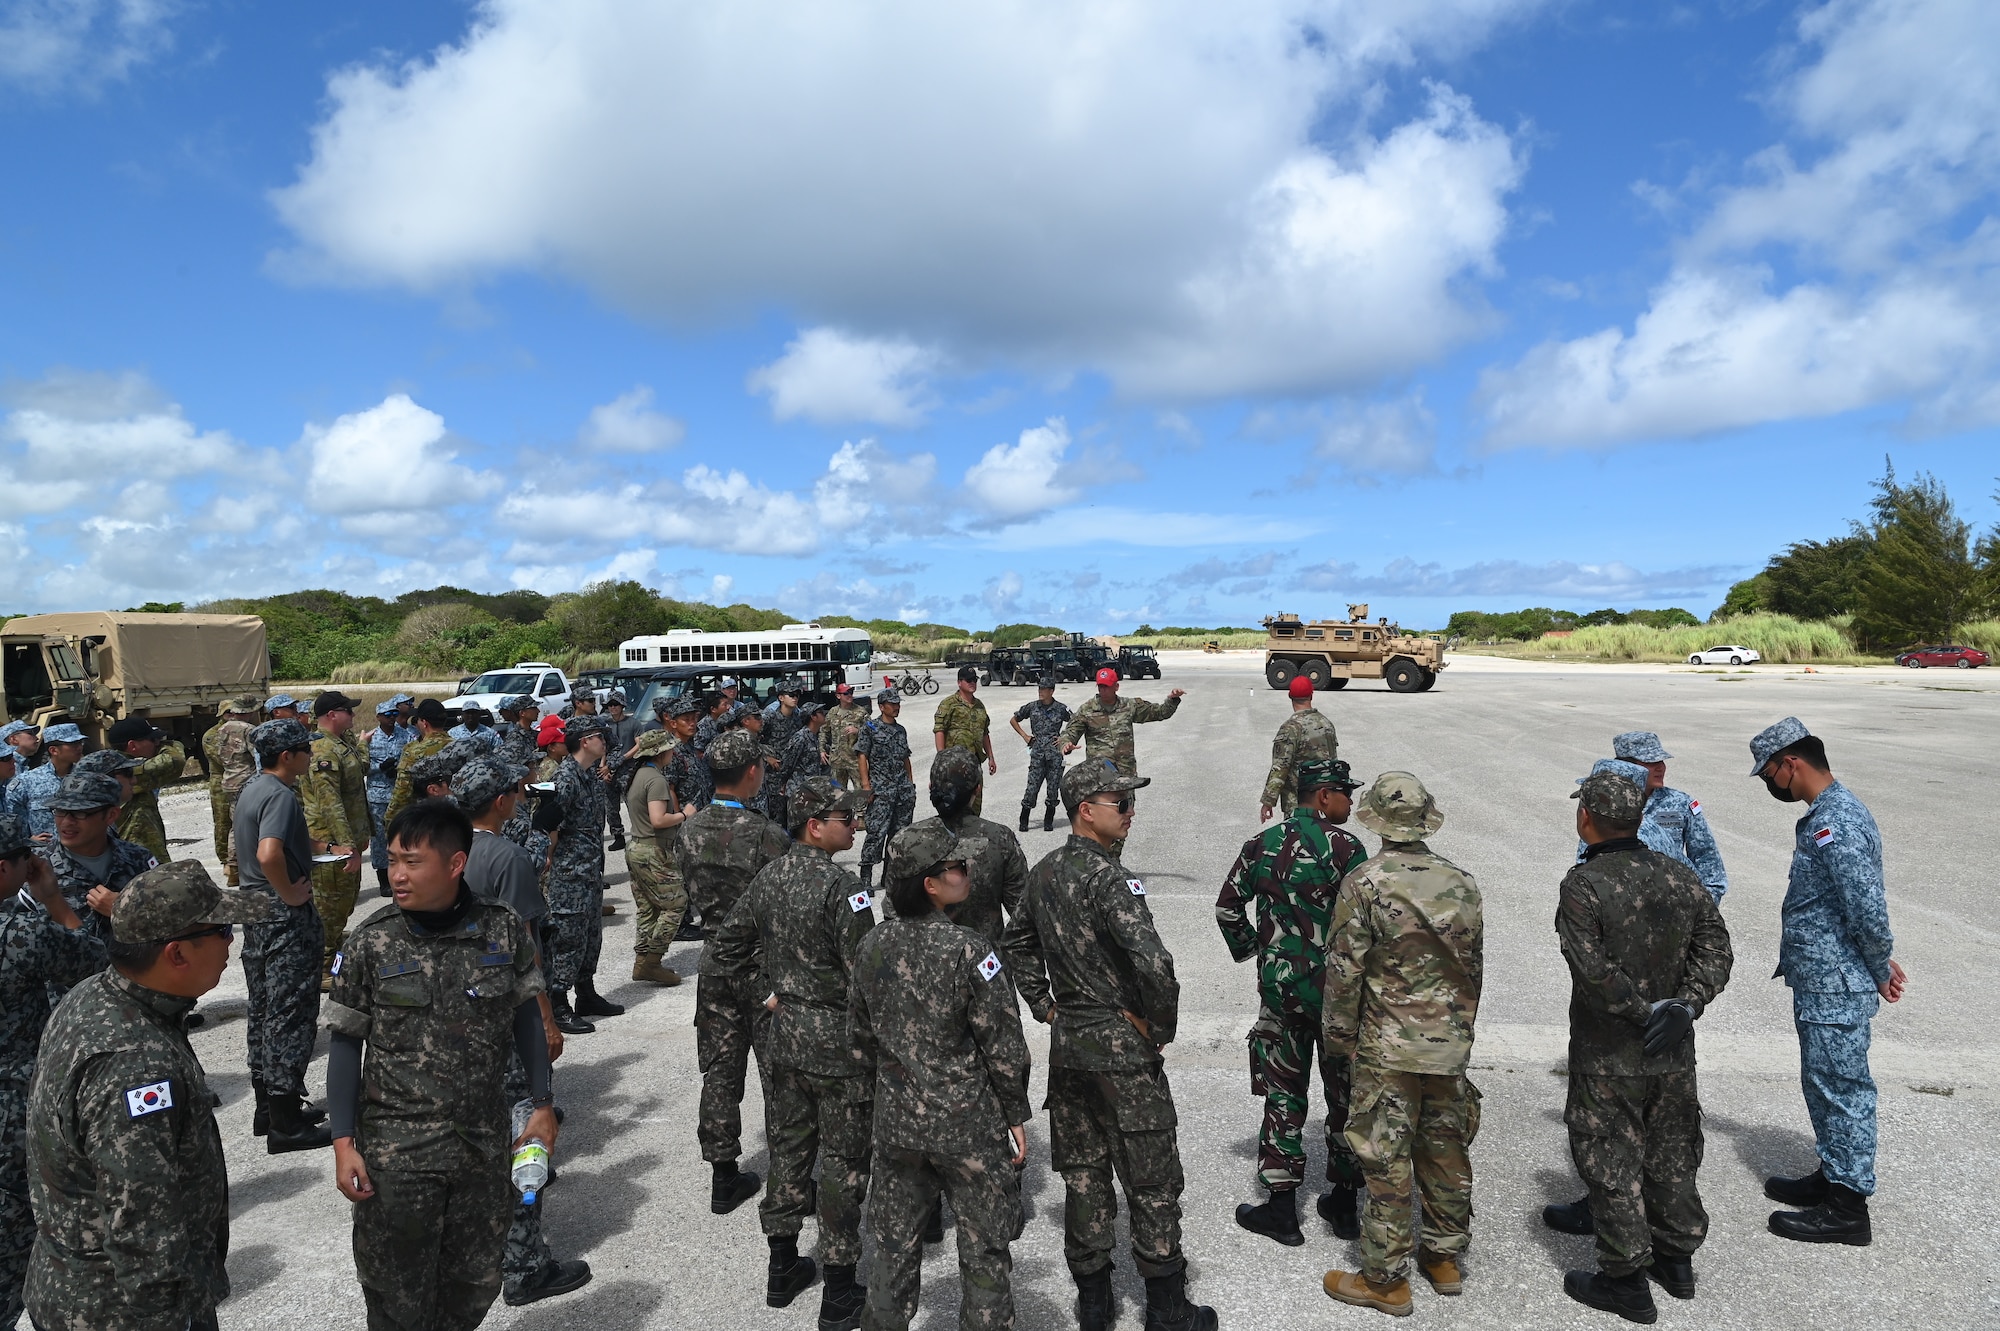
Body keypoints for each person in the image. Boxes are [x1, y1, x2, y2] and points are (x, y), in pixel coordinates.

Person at [325, 798, 559, 1329]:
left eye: (412, 861)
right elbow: (345, 1045)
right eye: (391, 860)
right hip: (398, 1154)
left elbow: (526, 1016)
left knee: (475, 1282)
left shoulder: (499, 928)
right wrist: (343, 1143)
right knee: (396, 1293)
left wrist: (542, 1105)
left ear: (455, 864)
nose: (397, 875)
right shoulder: (372, 941)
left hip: (480, 1143)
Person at [1002, 762, 1216, 1331]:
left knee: (1084, 1173)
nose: (1129, 811)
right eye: (1118, 802)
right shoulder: (1108, 878)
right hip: (1121, 1051)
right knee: (1151, 1177)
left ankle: (1093, 1304)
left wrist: (1045, 1005)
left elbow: (1015, 939)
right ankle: (1167, 1311)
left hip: (1071, 1048)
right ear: (1084, 811)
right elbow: (1155, 964)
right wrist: (1159, 1029)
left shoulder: (1045, 872)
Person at [24, 859, 271, 1331]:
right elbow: (142, 1226)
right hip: (124, 1312)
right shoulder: (135, 1064)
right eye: (221, 930)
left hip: (80, 1291)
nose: (230, 942)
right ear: (176, 953)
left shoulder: (95, 996)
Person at [1553, 769, 1734, 1322]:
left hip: (1609, 1054)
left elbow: (1591, 969)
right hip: (1672, 1051)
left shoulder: (1585, 884)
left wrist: (1644, 1010)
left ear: (1587, 817)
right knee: (1672, 1152)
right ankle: (1676, 1260)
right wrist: (1685, 1006)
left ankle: (1626, 1278)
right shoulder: (1680, 875)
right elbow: (1718, 950)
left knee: (1610, 1157)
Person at [850, 822, 1032, 1331]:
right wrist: (1015, 1112)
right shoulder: (973, 951)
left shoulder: (872, 946)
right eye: (955, 866)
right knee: (984, 1251)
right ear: (929, 884)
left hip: (899, 1125)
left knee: (891, 1251)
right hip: (966, 1127)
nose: (966, 871)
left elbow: (860, 1039)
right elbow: (1004, 1046)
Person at [710, 776, 873, 1326]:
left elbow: (725, 950)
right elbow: (866, 978)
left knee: (789, 1149)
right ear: (815, 825)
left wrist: (770, 995)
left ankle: (782, 1266)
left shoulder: (769, 877)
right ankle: (840, 1288)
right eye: (846, 819)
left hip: (787, 1041)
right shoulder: (843, 889)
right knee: (843, 1162)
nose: (855, 826)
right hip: (838, 1046)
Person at [1320, 772, 1483, 1318]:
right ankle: (1443, 1258)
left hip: (1388, 1046)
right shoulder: (1462, 882)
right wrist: (1459, 1031)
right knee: (1444, 1150)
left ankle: (1386, 1280)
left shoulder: (1365, 882)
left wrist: (1339, 1040)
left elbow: (1345, 971)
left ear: (1376, 819)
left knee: (1385, 1157)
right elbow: (1471, 969)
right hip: (1447, 1044)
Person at [1751, 717, 1905, 1247]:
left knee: (1842, 1089)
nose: (1772, 784)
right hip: (1825, 978)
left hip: (1837, 982)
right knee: (1823, 1083)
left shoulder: (1834, 822)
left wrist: (1880, 964)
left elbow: (1866, 907)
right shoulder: (1829, 813)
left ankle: (1847, 1209)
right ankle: (1832, 1174)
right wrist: (1878, 959)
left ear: (1792, 763)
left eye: (1770, 772)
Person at [1216, 758, 1369, 1246]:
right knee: (1345, 1095)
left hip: (1281, 993)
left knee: (1284, 1093)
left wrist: (1255, 951)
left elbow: (1226, 906)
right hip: (1338, 997)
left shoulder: (1263, 844)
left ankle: (1282, 1211)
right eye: (1344, 791)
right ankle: (1344, 1207)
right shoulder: (1348, 848)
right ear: (1323, 796)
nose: (1351, 801)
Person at [676, 728, 793, 1214]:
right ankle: (789, 1176)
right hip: (762, 966)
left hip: (715, 963)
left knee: (721, 1070)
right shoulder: (766, 833)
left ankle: (723, 1176)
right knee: (780, 1074)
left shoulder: (688, 829)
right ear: (752, 772)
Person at [0, 813, 106, 1327]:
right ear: (6, 870)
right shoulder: (21, 934)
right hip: (15, 1116)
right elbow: (95, 963)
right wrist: (54, 899)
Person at [234, 718, 337, 1153]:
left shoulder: (253, 788)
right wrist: (291, 893)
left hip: (254, 906)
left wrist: (320, 848)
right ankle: (286, 1124)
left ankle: (269, 1108)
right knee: (290, 1013)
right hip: (280, 912)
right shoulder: (278, 794)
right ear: (286, 756)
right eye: (303, 750)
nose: (310, 756)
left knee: (263, 1008)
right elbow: (269, 853)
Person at [542, 715, 622, 1031]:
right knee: (567, 940)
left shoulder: (588, 776)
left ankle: (585, 994)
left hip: (588, 871)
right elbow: (548, 825)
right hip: (569, 875)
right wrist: (550, 864)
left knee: (590, 936)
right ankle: (558, 1004)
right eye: (600, 736)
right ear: (585, 741)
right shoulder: (565, 779)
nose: (605, 741)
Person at [303, 691, 372, 986]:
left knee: (343, 902)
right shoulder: (323, 751)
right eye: (348, 711)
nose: (353, 715)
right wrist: (347, 847)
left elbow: (358, 776)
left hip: (345, 842)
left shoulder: (342, 744)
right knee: (330, 906)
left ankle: (329, 957)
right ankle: (321, 968)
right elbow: (330, 804)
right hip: (331, 843)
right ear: (332, 714)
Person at [40, 771, 158, 944]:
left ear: (111, 815)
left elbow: (172, 919)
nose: (66, 822)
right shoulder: (35, 870)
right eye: (60, 811)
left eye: (79, 813)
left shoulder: (138, 859)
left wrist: (125, 910)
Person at [623, 727, 691, 986]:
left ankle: (642, 962)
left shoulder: (638, 774)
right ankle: (652, 961)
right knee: (675, 904)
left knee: (648, 908)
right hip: (653, 851)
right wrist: (686, 814)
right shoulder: (656, 779)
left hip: (638, 848)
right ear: (661, 752)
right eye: (670, 748)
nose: (673, 751)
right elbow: (659, 819)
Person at [1060, 668, 1184, 777]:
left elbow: (1160, 712)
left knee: (1126, 804)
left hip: (1126, 772)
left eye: (1107, 686)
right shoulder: (1087, 709)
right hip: (1100, 774)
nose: (1103, 690)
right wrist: (1066, 744)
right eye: (1100, 686)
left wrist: (1172, 699)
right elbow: (1071, 731)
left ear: (1116, 686)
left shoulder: (1129, 706)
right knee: (1104, 804)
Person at [105, 716, 186, 865]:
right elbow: (175, 760)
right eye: (152, 740)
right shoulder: (124, 771)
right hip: (136, 854)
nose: (156, 744)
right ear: (133, 746)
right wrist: (167, 744)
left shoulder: (110, 766)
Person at [855, 688, 915, 890]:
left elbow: (905, 758)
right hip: (881, 790)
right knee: (875, 833)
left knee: (898, 835)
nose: (897, 707)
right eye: (893, 703)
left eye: (898, 703)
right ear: (882, 707)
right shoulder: (870, 728)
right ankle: (866, 876)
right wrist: (866, 786)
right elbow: (862, 756)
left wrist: (910, 784)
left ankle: (889, 876)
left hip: (902, 791)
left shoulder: (901, 730)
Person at [1259, 676, 1338, 823]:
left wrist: (1268, 801)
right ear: (1311, 695)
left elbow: (1280, 767)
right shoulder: (1327, 724)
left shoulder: (1291, 728)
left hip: (1298, 804)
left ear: (1290, 696)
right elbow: (1333, 762)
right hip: (1324, 801)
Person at [203, 697, 261, 887]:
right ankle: (246, 866)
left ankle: (233, 868)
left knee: (236, 825)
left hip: (229, 781)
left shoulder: (222, 730)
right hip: (247, 781)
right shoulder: (248, 730)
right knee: (251, 824)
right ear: (250, 712)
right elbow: (258, 758)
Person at [1009, 673, 1071, 833]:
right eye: (1039, 688)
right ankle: (1024, 819)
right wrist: (1025, 736)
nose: (1040, 691)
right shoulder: (1032, 707)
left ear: (1051, 691)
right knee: (1031, 788)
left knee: (1053, 789)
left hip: (1055, 756)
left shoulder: (1061, 708)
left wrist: (1065, 738)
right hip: (1037, 755)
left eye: (1044, 689)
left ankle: (1048, 820)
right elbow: (1013, 719)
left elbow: (1076, 723)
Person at [933, 666, 998, 816]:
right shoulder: (948, 704)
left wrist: (991, 757)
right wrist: (941, 761)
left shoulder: (979, 706)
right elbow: (939, 730)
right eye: (968, 680)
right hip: (954, 765)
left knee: (975, 806)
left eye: (974, 680)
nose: (972, 683)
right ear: (959, 682)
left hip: (974, 764)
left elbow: (985, 732)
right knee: (953, 806)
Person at [6, 721, 83, 842]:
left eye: (80, 743)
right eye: (72, 744)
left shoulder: (87, 778)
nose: (79, 748)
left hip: (83, 850)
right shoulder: (27, 781)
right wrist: (28, 840)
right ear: (54, 750)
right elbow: (14, 821)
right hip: (45, 855)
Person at [364, 699, 410, 896]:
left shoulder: (406, 735)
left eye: (394, 715)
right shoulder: (370, 738)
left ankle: (402, 874)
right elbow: (362, 766)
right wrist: (379, 768)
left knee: (402, 837)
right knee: (379, 840)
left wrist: (398, 769)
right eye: (387, 715)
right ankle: (383, 880)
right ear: (378, 717)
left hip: (400, 794)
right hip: (377, 795)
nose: (391, 719)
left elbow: (411, 760)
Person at [385, 699, 455, 824]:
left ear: (424, 723)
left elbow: (402, 793)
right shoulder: (459, 746)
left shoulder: (414, 751)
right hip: (455, 817)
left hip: (424, 819)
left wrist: (390, 820)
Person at [599, 695, 640, 852]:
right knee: (611, 806)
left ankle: (637, 833)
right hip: (609, 769)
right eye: (610, 705)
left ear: (622, 706)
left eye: (615, 704)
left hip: (627, 768)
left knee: (633, 803)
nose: (612, 707)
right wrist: (604, 766)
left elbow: (638, 744)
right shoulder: (606, 725)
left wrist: (623, 758)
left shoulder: (633, 723)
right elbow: (603, 746)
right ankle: (618, 837)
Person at [822, 683, 866, 791]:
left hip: (854, 760)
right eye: (846, 693)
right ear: (838, 696)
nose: (850, 695)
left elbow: (874, 731)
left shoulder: (860, 712)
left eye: (851, 692)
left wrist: (859, 730)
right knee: (837, 793)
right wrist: (822, 750)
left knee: (860, 792)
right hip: (837, 760)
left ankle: (859, 809)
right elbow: (824, 731)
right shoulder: (832, 712)